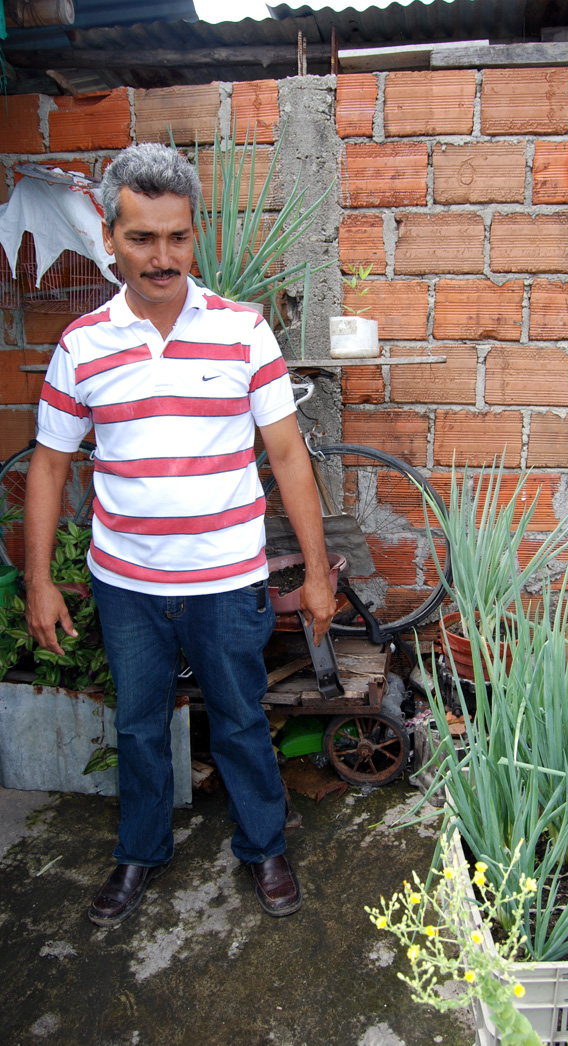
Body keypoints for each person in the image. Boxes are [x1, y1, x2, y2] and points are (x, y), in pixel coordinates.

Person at [23, 142, 337, 926]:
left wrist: (321, 572)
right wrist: (38, 581)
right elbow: (49, 467)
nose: (162, 257)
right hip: (126, 584)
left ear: (194, 236)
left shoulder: (243, 332)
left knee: (239, 719)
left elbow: (289, 456)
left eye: (177, 237)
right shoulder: (81, 346)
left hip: (228, 582)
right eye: (141, 238)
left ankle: (264, 845)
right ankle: (139, 853)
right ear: (109, 236)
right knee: (135, 726)